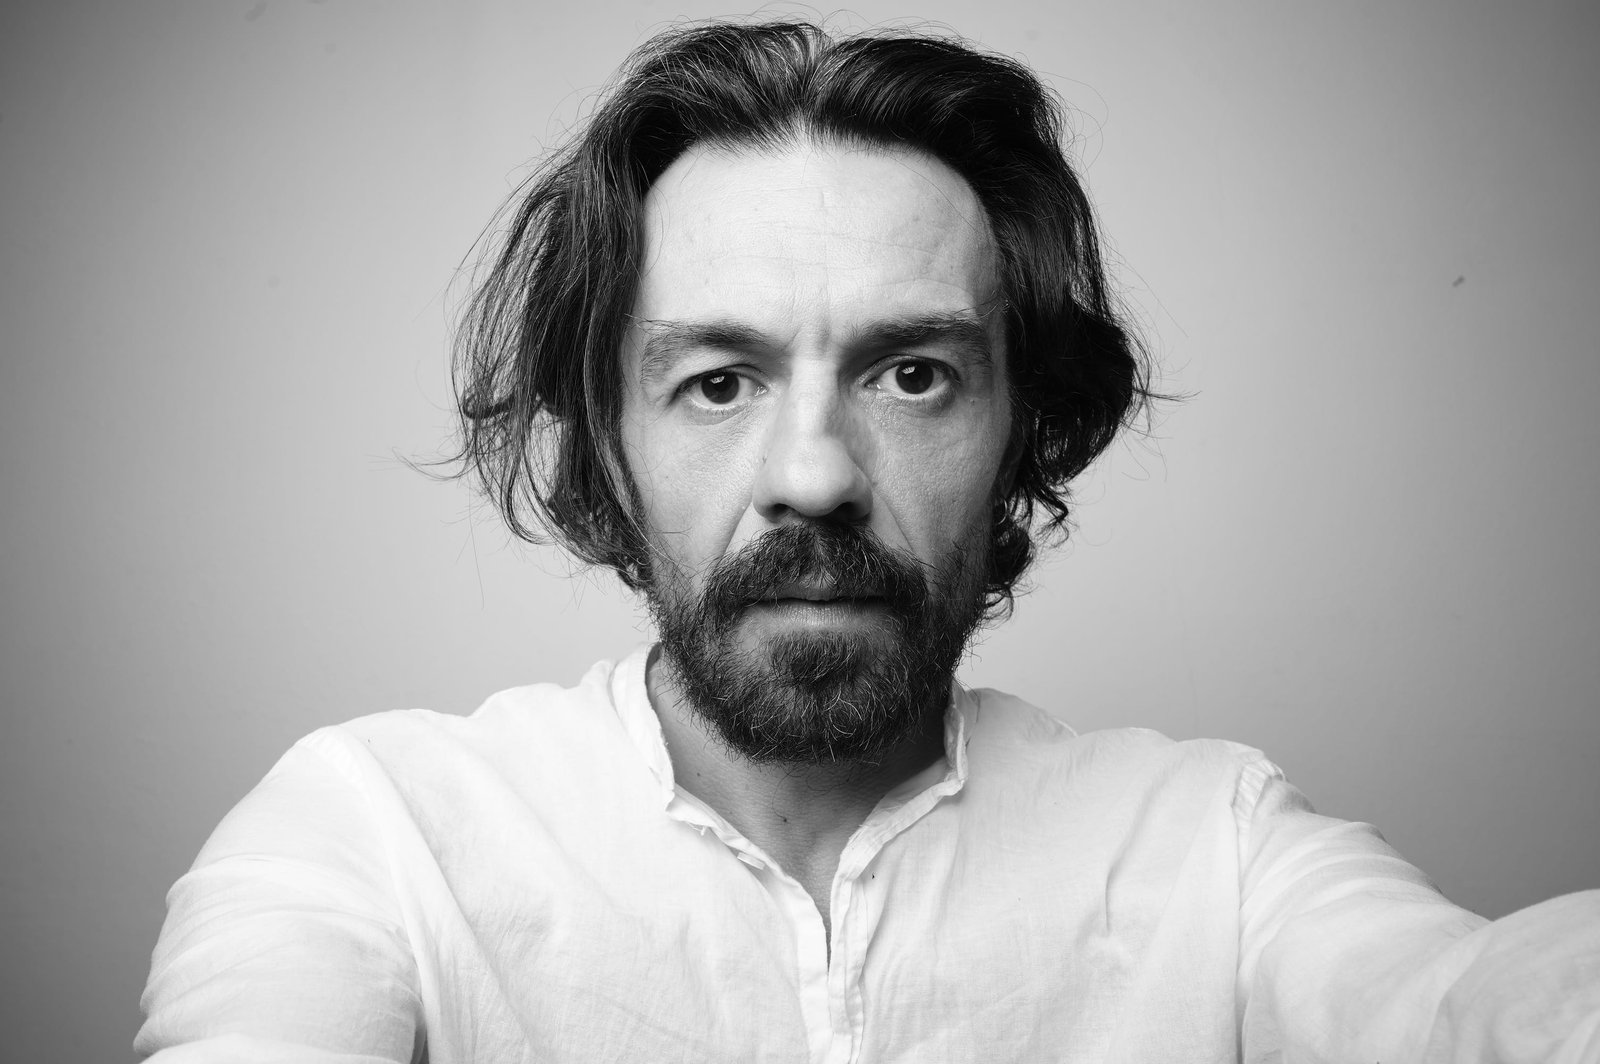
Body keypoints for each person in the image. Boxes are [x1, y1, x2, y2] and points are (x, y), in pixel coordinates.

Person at [135, 20, 1599, 1063]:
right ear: (610, 440)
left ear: (1021, 423)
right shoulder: (381, 838)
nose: (816, 477)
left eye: (912, 374)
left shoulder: (1213, 850)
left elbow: (1462, 1006)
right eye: (719, 382)